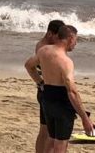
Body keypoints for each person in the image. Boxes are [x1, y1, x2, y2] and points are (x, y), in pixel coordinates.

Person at [25, 25, 94, 153]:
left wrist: (40, 83)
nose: (76, 44)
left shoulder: (44, 50)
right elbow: (72, 92)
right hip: (61, 103)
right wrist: (85, 118)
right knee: (60, 144)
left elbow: (29, 66)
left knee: (51, 139)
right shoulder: (66, 62)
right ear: (70, 38)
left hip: (47, 99)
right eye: (76, 40)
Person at [25, 20, 66, 153]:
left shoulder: (46, 46)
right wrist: (40, 83)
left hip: (45, 91)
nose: (59, 39)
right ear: (49, 33)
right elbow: (31, 66)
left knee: (45, 129)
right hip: (47, 92)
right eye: (57, 36)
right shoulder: (43, 47)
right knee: (48, 131)